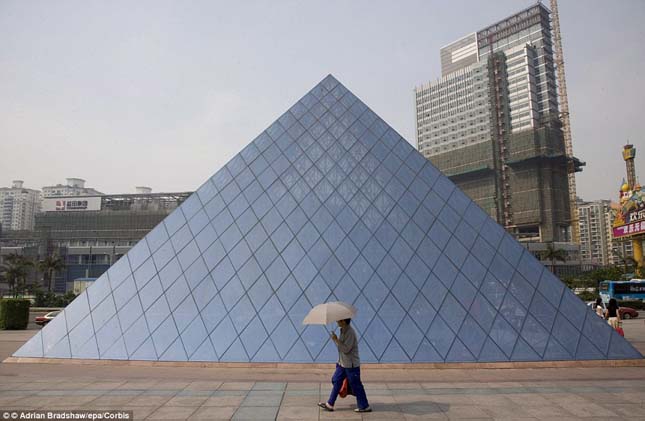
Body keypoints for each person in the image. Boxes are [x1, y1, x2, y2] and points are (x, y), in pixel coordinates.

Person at [318, 318, 371, 413]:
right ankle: (330, 404)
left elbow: (346, 349)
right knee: (336, 380)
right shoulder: (342, 330)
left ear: (343, 321)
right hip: (342, 364)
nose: (336, 322)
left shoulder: (350, 332)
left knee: (356, 385)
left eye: (338, 320)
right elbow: (341, 348)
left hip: (351, 365)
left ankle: (364, 406)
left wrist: (336, 340)